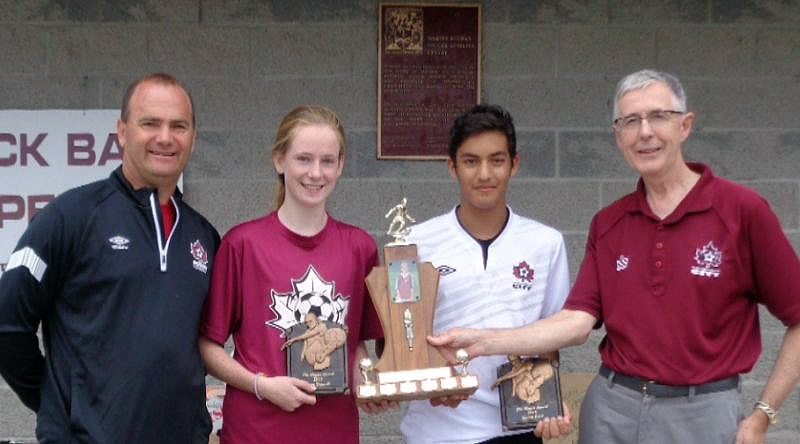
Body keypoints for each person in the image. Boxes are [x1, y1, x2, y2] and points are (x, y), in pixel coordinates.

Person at [428, 70, 800, 444]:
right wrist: (481, 341)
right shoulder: (609, 223)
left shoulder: (742, 211)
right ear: (618, 136)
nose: (645, 132)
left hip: (701, 412)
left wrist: (762, 415)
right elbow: (576, 323)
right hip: (612, 410)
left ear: (685, 125)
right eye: (630, 121)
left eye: (658, 116)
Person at [0, 73, 220, 443]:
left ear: (193, 139)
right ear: (121, 132)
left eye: (178, 126)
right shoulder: (71, 216)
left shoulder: (204, 237)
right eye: (150, 123)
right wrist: (58, 403)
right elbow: (6, 324)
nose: (165, 137)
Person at [197, 105, 385, 444]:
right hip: (256, 432)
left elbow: (355, 343)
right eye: (303, 159)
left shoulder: (360, 247)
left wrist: (366, 383)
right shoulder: (243, 245)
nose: (316, 172)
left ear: (341, 166)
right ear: (279, 160)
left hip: (334, 432)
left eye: (327, 161)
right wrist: (261, 386)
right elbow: (208, 347)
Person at [400, 104, 572, 444]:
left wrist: (548, 401)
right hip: (436, 431)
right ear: (452, 167)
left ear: (514, 165)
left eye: (496, 160)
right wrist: (433, 376)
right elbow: (397, 340)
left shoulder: (546, 243)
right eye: (470, 161)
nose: (484, 174)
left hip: (517, 429)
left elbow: (551, 342)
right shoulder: (415, 242)